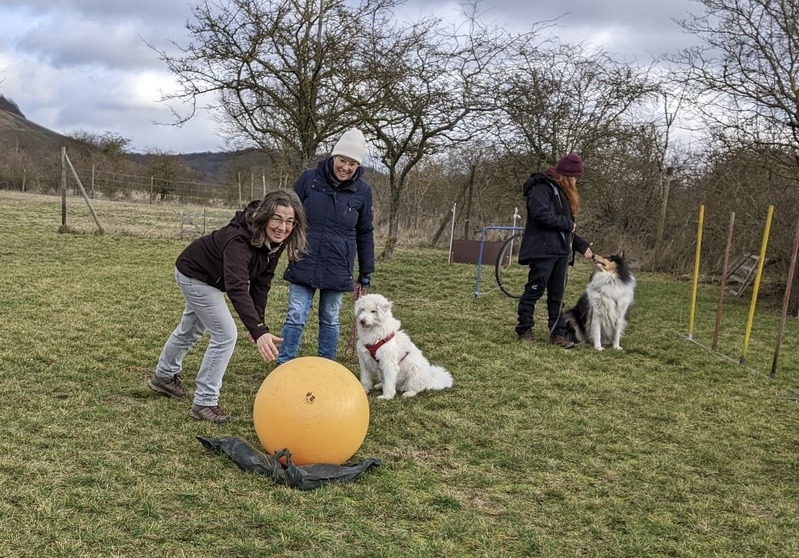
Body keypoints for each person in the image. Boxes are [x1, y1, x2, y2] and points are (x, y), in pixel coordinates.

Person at [147, 191, 308, 423]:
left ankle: (163, 377)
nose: (283, 227)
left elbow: (261, 282)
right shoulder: (239, 240)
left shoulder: (276, 241)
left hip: (212, 278)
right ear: (265, 217)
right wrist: (257, 330)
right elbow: (237, 287)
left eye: (289, 221)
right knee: (225, 335)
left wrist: (259, 324)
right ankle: (204, 402)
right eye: (277, 219)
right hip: (195, 275)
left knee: (191, 329)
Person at [277, 127, 375, 364]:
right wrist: (277, 249)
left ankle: (326, 367)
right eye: (342, 160)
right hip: (304, 257)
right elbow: (287, 215)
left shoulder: (363, 191)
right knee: (296, 315)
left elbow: (364, 232)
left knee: (330, 318)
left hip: (338, 264)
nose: (346, 167)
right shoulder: (309, 180)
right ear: (333, 157)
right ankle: (284, 363)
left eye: (352, 163)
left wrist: (366, 270)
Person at [515, 152, 594, 349]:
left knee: (557, 295)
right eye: (575, 177)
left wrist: (581, 246)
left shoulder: (562, 193)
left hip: (559, 252)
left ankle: (557, 333)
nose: (576, 181)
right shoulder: (541, 188)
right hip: (542, 250)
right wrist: (568, 224)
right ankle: (524, 329)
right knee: (534, 290)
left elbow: (566, 230)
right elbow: (541, 215)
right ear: (566, 175)